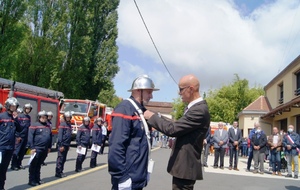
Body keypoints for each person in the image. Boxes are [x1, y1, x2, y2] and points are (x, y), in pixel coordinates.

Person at [144, 74, 210, 190]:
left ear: (191, 89)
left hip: (186, 168)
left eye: (181, 89)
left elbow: (173, 129)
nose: (179, 93)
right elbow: (177, 125)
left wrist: (152, 117)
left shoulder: (199, 110)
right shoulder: (195, 108)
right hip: (184, 168)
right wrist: (158, 116)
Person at [109, 75, 159, 190]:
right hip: (128, 178)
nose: (151, 96)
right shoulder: (124, 108)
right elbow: (116, 146)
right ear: (138, 91)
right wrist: (121, 177)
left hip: (137, 177)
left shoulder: (139, 110)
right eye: (149, 92)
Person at [0, 97, 21, 190]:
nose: (13, 108)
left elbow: (19, 129)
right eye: (12, 106)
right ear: (7, 106)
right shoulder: (1, 116)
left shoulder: (14, 118)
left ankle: (1, 187)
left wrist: (16, 119)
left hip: (10, 147)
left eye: (15, 106)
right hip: (1, 147)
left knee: (4, 169)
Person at [27, 110, 52, 186]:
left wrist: (49, 147)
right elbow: (30, 137)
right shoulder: (34, 125)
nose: (44, 119)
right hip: (36, 148)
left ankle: (37, 179)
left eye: (45, 117)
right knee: (34, 165)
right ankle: (31, 180)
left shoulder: (48, 126)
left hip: (44, 149)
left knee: (39, 165)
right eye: (42, 117)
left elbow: (50, 137)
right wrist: (32, 148)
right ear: (39, 117)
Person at [11, 103, 32, 171]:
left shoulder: (28, 117)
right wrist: (18, 136)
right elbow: (16, 127)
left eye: (29, 109)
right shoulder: (19, 116)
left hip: (25, 137)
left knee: (22, 152)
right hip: (19, 137)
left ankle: (19, 164)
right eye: (27, 108)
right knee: (16, 151)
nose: (28, 110)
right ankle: (13, 165)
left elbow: (28, 127)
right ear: (24, 108)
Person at [55, 111, 73, 178]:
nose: (68, 118)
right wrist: (61, 145)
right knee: (60, 159)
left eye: (69, 117)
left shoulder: (69, 125)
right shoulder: (62, 124)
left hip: (66, 144)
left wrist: (68, 145)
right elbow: (60, 136)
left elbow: (69, 136)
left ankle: (61, 171)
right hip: (62, 144)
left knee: (64, 159)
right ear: (65, 117)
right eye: (67, 117)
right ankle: (58, 172)